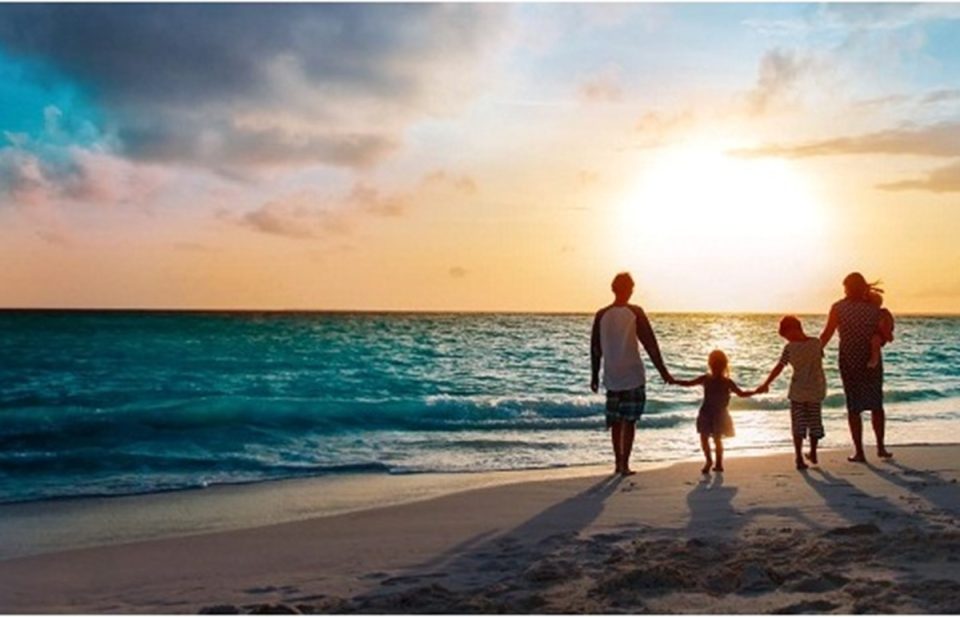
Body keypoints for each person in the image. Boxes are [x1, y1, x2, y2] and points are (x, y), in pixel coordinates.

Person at [591, 272, 673, 476]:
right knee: (630, 420)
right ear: (630, 290)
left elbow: (595, 348)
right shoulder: (636, 312)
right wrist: (663, 371)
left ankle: (618, 463)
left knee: (616, 422)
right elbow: (650, 344)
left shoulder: (601, 314)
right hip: (634, 376)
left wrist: (594, 375)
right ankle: (624, 464)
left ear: (613, 289)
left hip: (611, 377)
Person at [820, 272, 892, 463]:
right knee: (876, 404)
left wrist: (815, 350)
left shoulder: (838, 308)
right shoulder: (874, 309)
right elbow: (885, 334)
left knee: (854, 406)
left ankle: (859, 451)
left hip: (849, 361)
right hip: (871, 360)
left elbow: (827, 333)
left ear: (847, 288)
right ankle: (881, 447)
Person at [757, 316, 827, 471]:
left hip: (798, 391)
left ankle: (799, 457)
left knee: (798, 425)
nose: (787, 339)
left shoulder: (789, 348)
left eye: (787, 335)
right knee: (814, 421)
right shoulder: (816, 343)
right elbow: (820, 359)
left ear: (793, 330)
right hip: (816, 390)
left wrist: (767, 383)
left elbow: (779, 367)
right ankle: (813, 452)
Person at [672, 349, 758, 474]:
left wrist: (756, 391)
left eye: (718, 365)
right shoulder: (706, 379)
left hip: (720, 414)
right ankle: (709, 461)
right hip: (706, 413)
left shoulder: (727, 382)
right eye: (713, 365)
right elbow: (688, 383)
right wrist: (674, 381)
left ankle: (718, 463)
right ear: (710, 365)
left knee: (717, 439)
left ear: (723, 366)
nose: (715, 368)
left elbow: (741, 393)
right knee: (704, 438)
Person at [867, 290, 895, 369]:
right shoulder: (874, 313)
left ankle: (874, 359)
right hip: (877, 333)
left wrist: (886, 332)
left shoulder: (883, 312)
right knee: (874, 342)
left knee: (875, 341)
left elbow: (888, 323)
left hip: (880, 334)